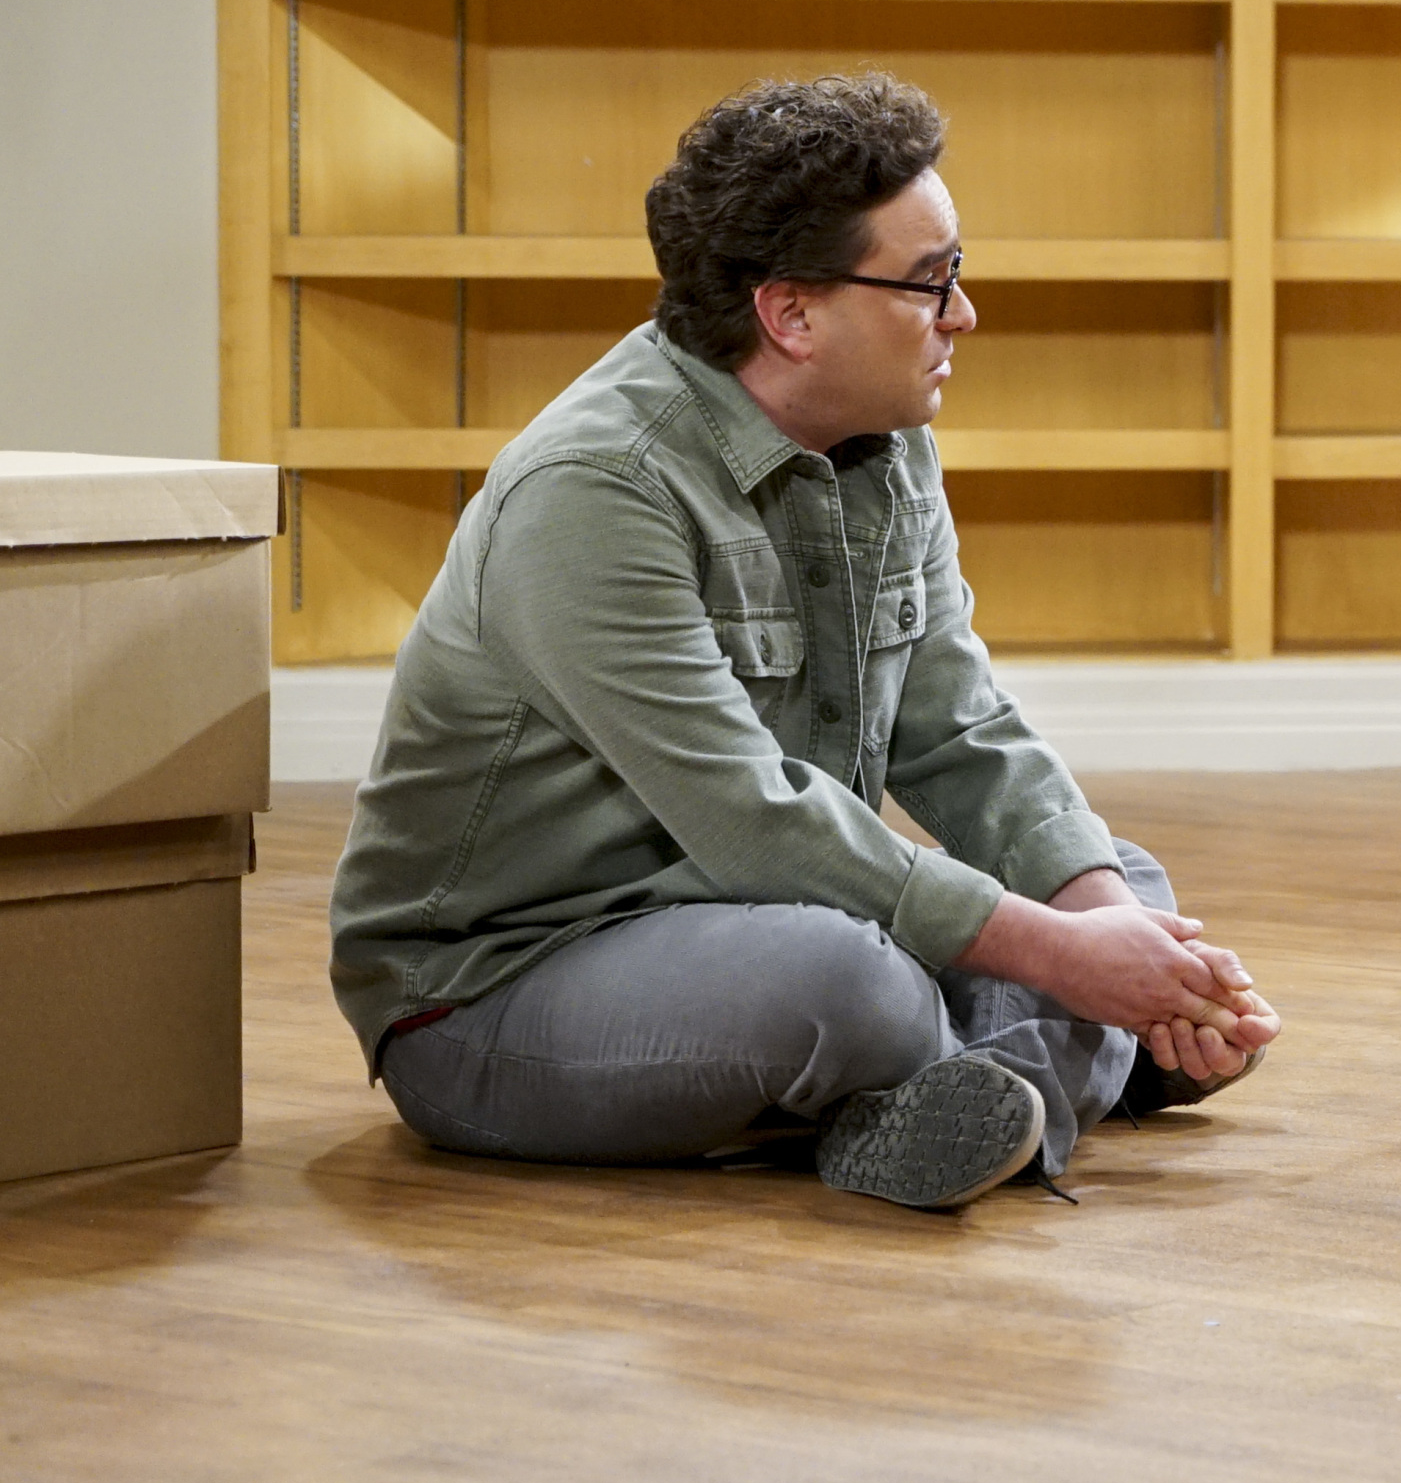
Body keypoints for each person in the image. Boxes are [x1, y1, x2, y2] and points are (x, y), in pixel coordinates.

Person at [327, 73, 1279, 1210]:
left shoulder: (881, 433)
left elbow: (961, 725)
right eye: (932, 284)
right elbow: (748, 814)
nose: (964, 315)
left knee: (1115, 878)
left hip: (758, 911)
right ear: (791, 313)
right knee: (852, 983)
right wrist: (1072, 968)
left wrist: (1104, 927)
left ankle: (978, 1093)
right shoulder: (592, 490)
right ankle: (1063, 1059)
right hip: (496, 989)